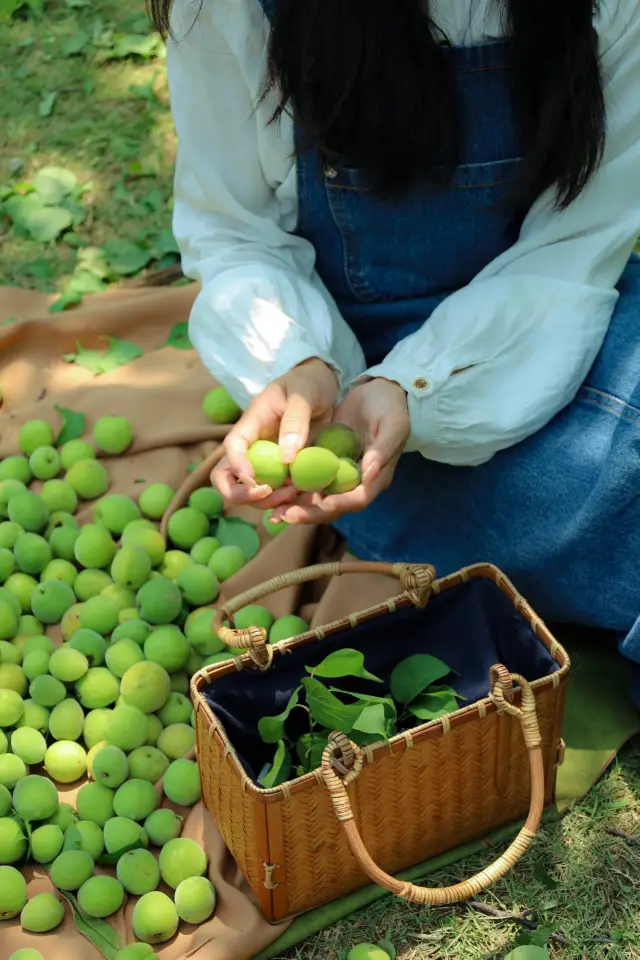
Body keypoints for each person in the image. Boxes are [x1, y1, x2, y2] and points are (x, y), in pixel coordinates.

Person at [159, 0, 640, 682]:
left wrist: (422, 381)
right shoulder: (234, 10)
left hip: (555, 323)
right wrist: (302, 363)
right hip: (373, 399)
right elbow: (237, 230)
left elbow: (575, 246)